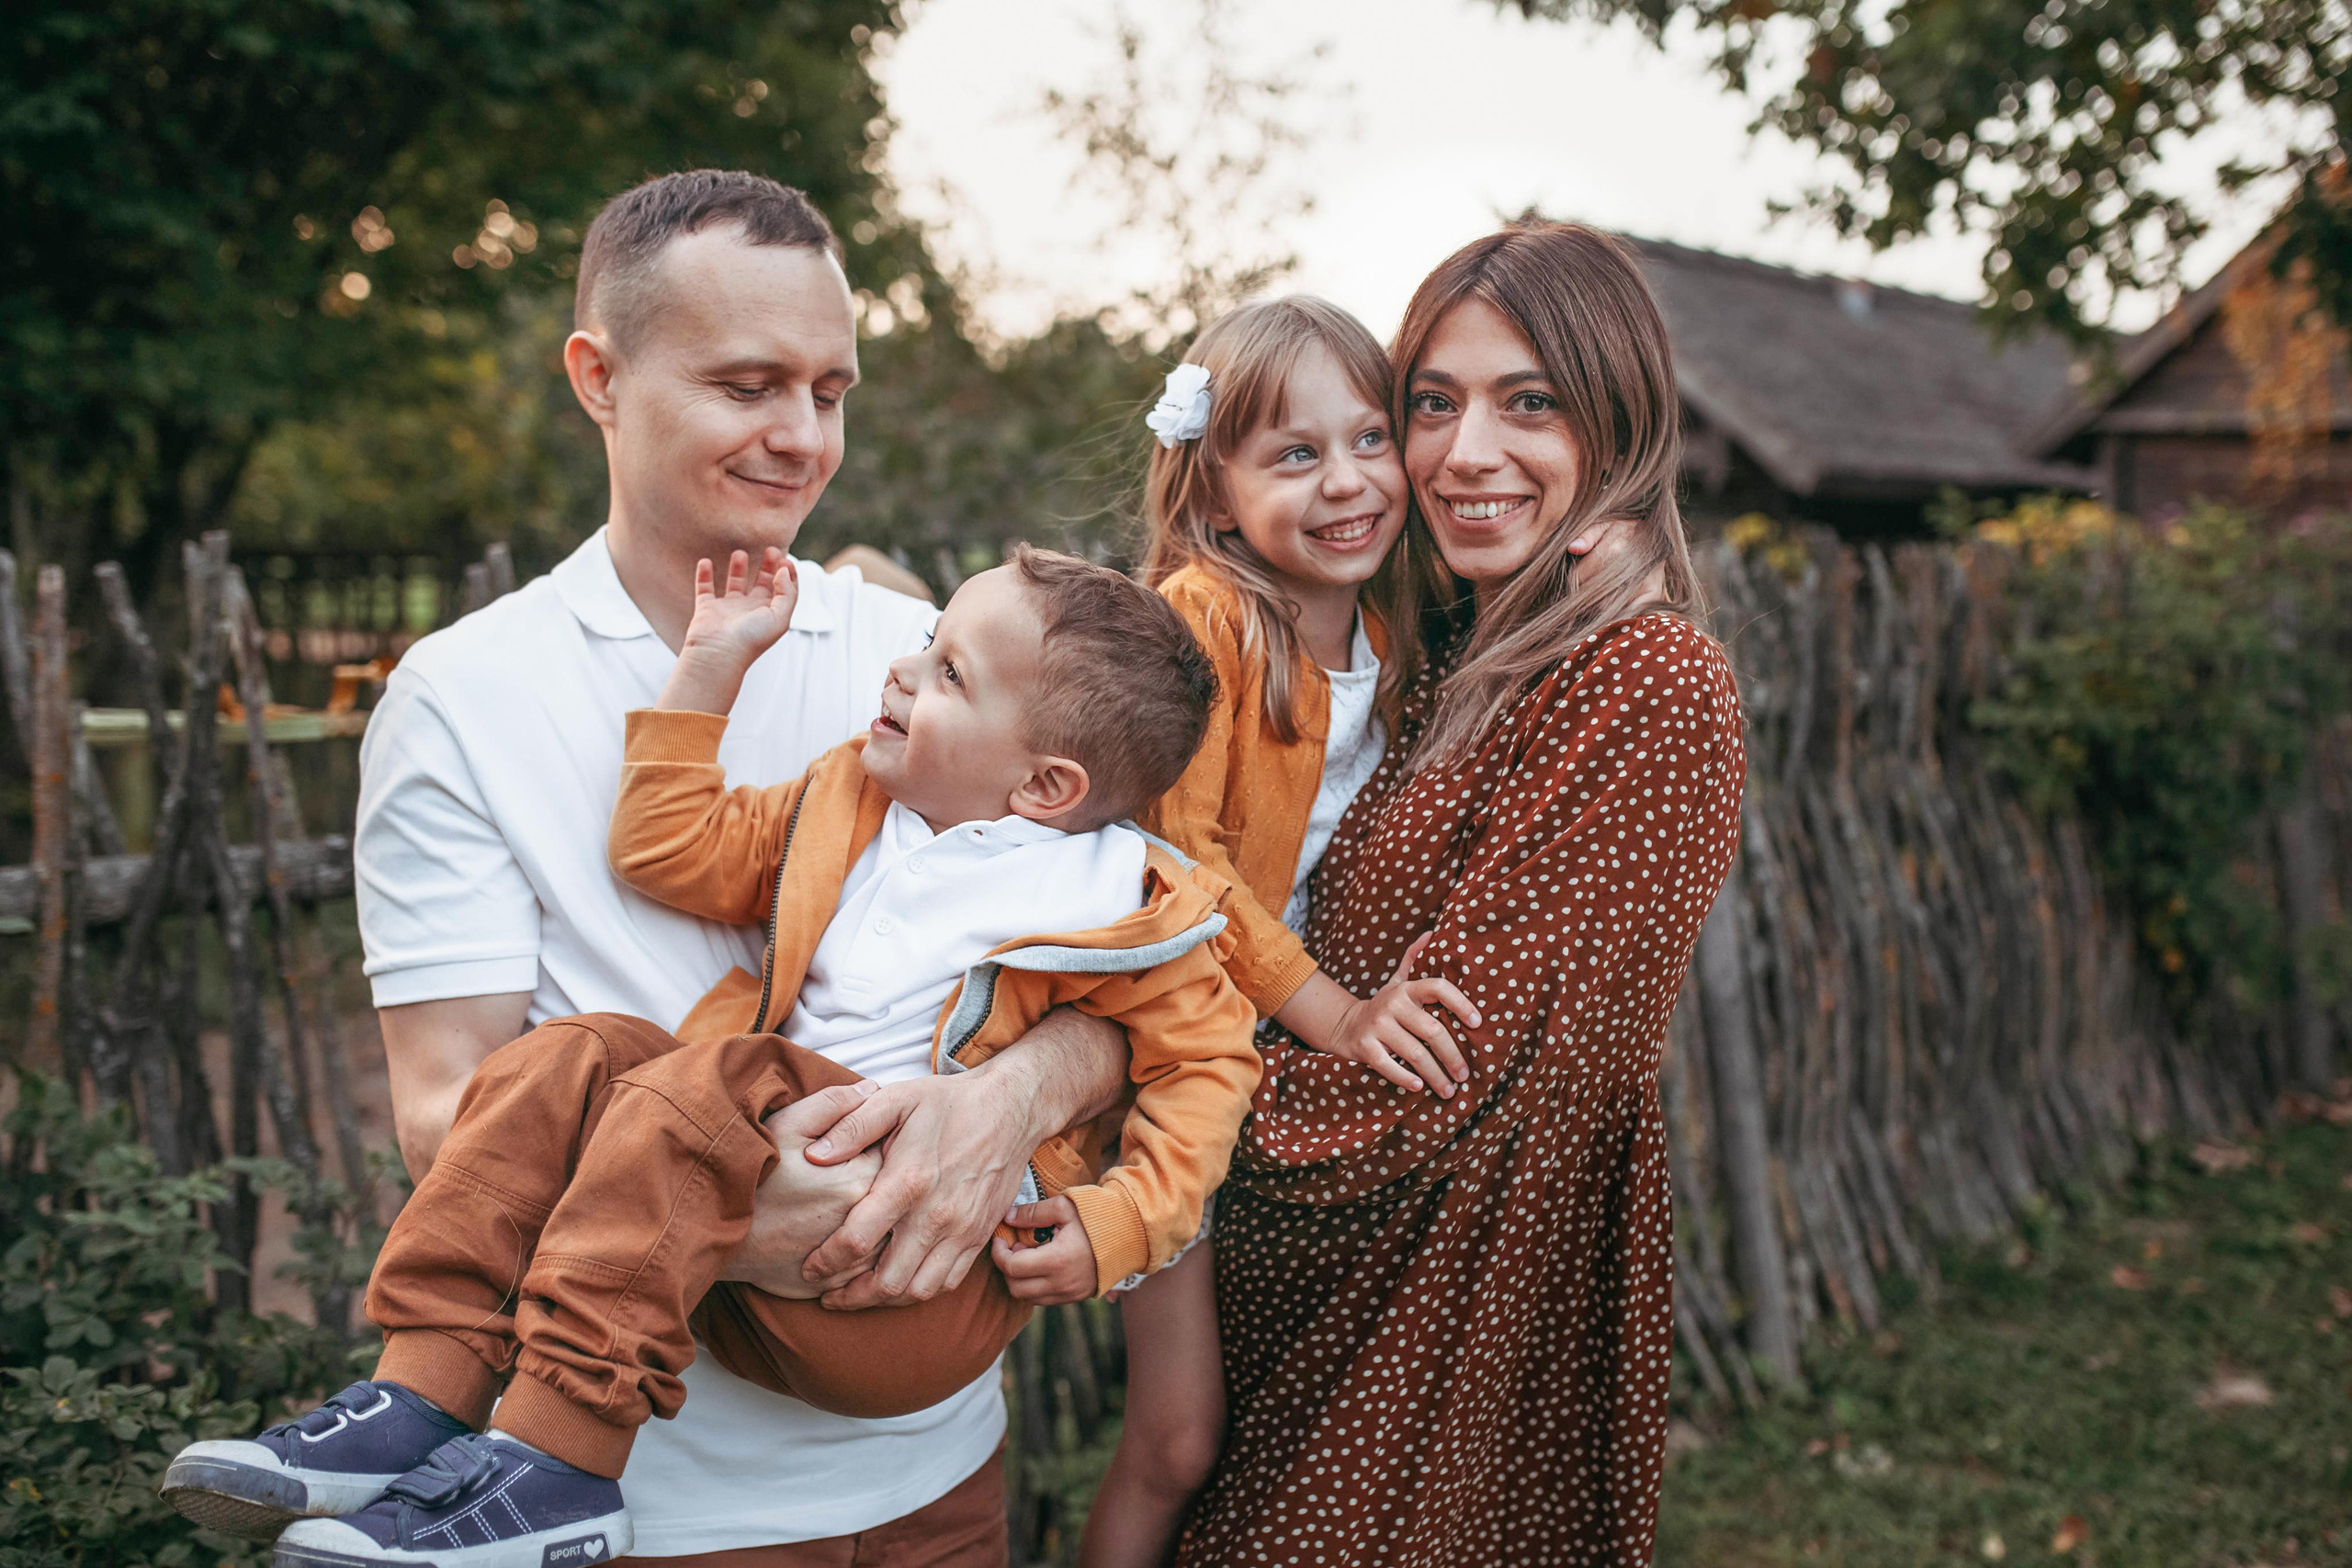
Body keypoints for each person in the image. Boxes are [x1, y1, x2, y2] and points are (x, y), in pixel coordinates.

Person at [166, 547, 1261, 1568]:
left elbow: (1210, 1070)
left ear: (1045, 789)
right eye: (926, 639)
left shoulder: (1125, 905)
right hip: (749, 1249)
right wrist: (709, 670)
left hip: (917, 1291)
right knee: (576, 1055)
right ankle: (423, 1392)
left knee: (714, 1076)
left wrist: (1118, 1225)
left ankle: (560, 1461)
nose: (900, 667)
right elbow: (666, 843)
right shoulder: (849, 810)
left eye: (947, 674)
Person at [339, 170, 1136, 1564]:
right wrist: (732, 1211)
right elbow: (439, 1110)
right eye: (749, 384)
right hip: (664, 1497)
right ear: (599, 374)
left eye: (830, 390)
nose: (801, 437)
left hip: (937, 1457)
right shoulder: (463, 694)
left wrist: (1011, 1097)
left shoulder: (923, 657)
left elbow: (1129, 970)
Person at [1175, 221, 1747, 1565]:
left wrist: (1164, 1110)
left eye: (1530, 402)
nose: (1462, 452)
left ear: (1621, 418)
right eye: (1432, 403)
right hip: (1309, 1323)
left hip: (1440, 1329)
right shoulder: (1438, 651)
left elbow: (1425, 1084)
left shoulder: (1651, 683)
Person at [1081, 297, 1478, 1568]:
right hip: (1170, 1057)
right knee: (1177, 1434)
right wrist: (1335, 1011)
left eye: (1369, 437)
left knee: (1267, 1409)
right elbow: (1175, 857)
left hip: (1268, 1065)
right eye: (1295, 454)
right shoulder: (1209, 618)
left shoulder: (1387, 625)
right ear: (1213, 492)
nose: (1350, 480)